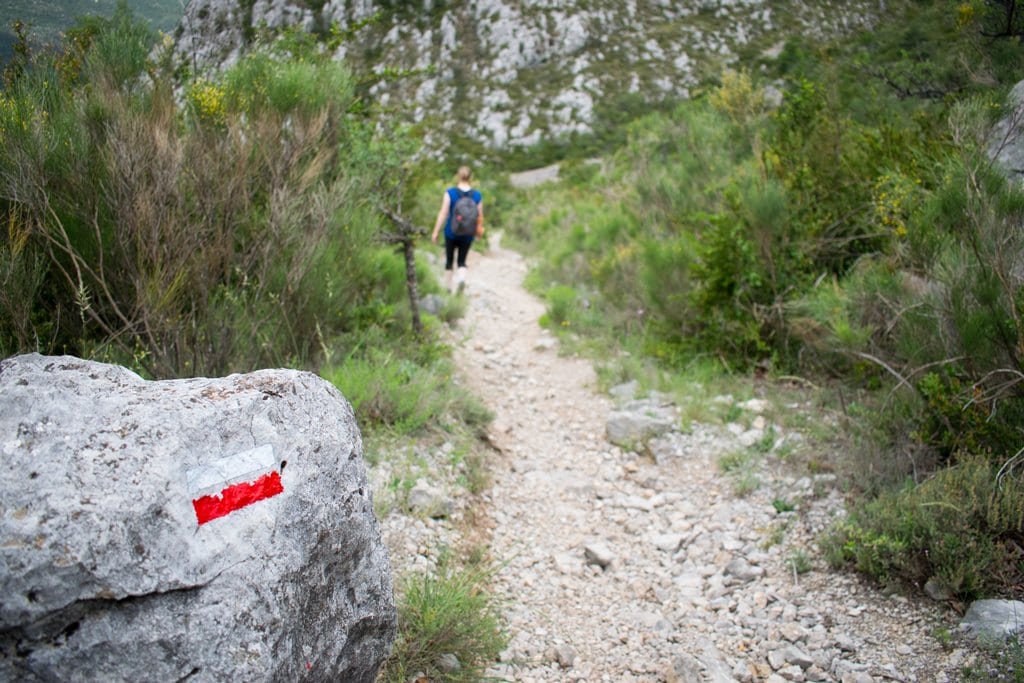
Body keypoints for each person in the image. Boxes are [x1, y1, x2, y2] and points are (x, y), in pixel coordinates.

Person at [431, 165, 484, 294]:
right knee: (462, 261)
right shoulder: (477, 195)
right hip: (468, 234)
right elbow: (480, 216)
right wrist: (479, 232)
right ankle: (461, 279)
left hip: (451, 232)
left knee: (449, 261)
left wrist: (436, 231)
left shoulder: (450, 193)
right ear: (471, 177)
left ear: (458, 176)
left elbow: (443, 213)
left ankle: (448, 289)